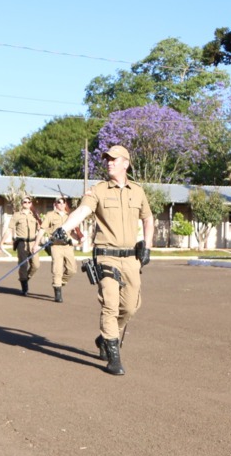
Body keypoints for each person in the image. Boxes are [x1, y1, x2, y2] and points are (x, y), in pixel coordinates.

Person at [53, 145, 154, 376]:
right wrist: (64, 228)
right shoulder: (97, 190)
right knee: (110, 305)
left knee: (130, 306)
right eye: (107, 159)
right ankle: (113, 355)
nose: (109, 162)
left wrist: (147, 246)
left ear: (125, 163)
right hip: (105, 255)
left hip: (131, 258)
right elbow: (82, 211)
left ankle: (105, 338)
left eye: (114, 159)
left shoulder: (138, 191)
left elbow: (148, 219)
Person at [40, 197, 79, 303]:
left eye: (63, 202)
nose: (61, 204)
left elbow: (73, 233)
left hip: (68, 246)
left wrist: (80, 237)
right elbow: (43, 229)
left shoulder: (70, 216)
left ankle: (60, 283)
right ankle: (57, 292)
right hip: (55, 246)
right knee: (57, 270)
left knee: (72, 269)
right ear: (55, 204)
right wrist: (36, 244)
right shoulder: (50, 215)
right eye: (59, 202)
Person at [11, 195, 41, 296]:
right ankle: (24, 287)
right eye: (25, 202)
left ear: (31, 204)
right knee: (23, 265)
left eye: (28, 202)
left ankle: (25, 278)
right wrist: (2, 242)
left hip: (33, 242)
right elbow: (11, 228)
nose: (27, 204)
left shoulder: (35, 215)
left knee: (36, 265)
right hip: (21, 242)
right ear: (22, 203)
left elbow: (40, 229)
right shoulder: (17, 215)